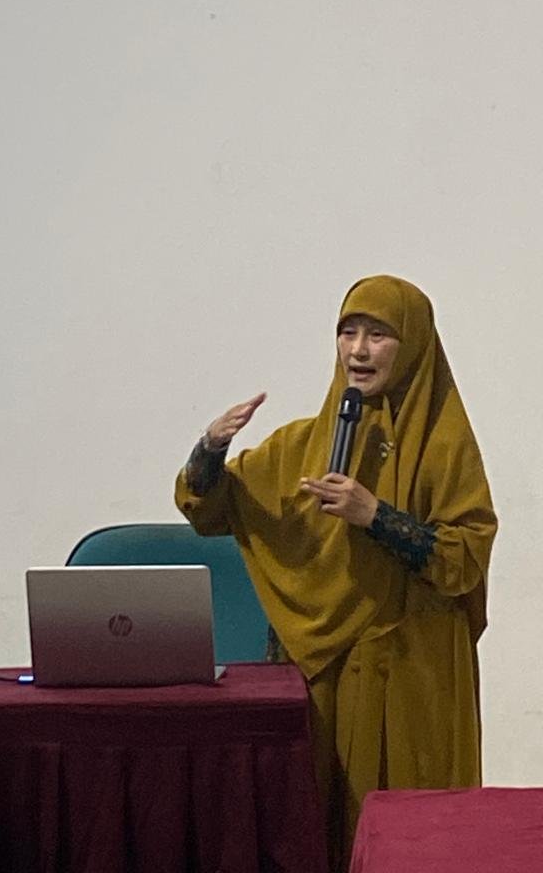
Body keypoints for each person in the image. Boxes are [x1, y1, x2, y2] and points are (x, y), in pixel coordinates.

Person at [175, 275, 497, 871]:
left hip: (411, 671)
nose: (359, 350)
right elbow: (208, 509)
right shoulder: (304, 444)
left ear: (414, 345)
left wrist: (376, 516)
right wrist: (210, 448)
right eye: (348, 332)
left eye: (379, 334)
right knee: (314, 830)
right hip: (320, 675)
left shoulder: (445, 446)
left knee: (411, 838)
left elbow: (464, 558)